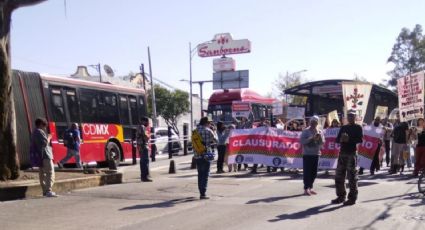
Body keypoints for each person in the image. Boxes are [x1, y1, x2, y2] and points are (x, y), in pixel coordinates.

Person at [331, 110, 363, 206]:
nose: (350, 118)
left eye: (352, 116)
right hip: (342, 153)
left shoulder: (358, 127)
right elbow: (337, 140)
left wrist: (349, 139)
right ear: (347, 118)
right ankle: (341, 196)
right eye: (349, 116)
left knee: (352, 177)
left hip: (351, 153)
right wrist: (341, 139)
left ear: (355, 117)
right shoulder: (344, 127)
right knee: (339, 176)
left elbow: (360, 140)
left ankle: (352, 198)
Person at [31, 118, 57, 197]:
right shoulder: (40, 132)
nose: (45, 127)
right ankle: (48, 190)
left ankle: (45, 191)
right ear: (41, 124)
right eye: (44, 125)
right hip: (45, 155)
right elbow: (45, 143)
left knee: (42, 174)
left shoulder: (34, 132)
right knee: (50, 173)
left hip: (40, 156)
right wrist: (49, 137)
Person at [300, 116, 325, 195]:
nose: (314, 124)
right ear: (310, 122)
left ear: (317, 123)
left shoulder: (319, 131)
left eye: (315, 122)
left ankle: (310, 187)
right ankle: (306, 188)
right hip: (307, 154)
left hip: (316, 154)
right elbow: (302, 141)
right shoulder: (306, 131)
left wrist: (319, 137)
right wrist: (311, 138)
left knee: (314, 173)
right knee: (307, 172)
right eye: (312, 122)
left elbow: (322, 143)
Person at [194, 117, 217, 199]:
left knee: (200, 174)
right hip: (206, 155)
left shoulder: (195, 131)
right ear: (206, 123)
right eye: (209, 123)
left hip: (197, 155)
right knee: (205, 174)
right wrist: (214, 131)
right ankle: (203, 193)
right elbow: (216, 140)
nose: (210, 124)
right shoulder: (208, 131)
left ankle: (200, 191)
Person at [137, 117, 152, 182]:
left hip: (140, 146)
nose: (148, 123)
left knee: (142, 161)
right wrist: (149, 135)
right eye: (147, 122)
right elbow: (146, 137)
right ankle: (145, 177)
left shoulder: (138, 127)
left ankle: (143, 177)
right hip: (143, 146)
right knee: (145, 162)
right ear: (144, 121)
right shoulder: (142, 127)